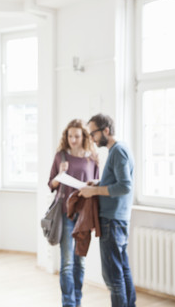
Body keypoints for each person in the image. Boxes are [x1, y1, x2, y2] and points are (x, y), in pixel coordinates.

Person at [79, 113, 136, 307]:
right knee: (123, 270)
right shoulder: (119, 150)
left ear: (106, 130)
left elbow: (125, 186)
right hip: (117, 219)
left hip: (112, 220)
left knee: (113, 277)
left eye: (93, 133)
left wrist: (93, 190)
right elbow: (117, 183)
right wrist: (98, 183)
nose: (92, 139)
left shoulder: (118, 151)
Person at [48, 119, 99, 307]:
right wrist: (59, 175)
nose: (73, 140)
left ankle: (77, 301)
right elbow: (51, 185)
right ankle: (68, 303)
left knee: (80, 262)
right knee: (67, 263)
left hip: (84, 215)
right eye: (70, 136)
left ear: (84, 136)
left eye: (77, 136)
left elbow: (96, 185)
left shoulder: (91, 157)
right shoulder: (61, 156)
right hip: (65, 214)